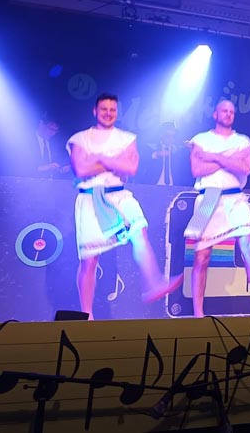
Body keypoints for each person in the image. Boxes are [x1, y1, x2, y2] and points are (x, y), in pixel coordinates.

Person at [67, 93, 182, 318]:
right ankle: (86, 314)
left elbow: (131, 168)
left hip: (120, 195)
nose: (108, 113)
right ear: (95, 111)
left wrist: (98, 159)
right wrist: (113, 162)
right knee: (90, 260)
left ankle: (153, 283)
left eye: (112, 109)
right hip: (91, 199)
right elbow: (80, 169)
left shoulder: (127, 138)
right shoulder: (80, 139)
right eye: (104, 109)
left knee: (139, 230)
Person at [185, 100, 250, 317]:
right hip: (207, 197)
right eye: (224, 111)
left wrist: (213, 157)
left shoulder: (243, 141)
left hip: (235, 197)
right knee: (201, 257)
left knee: (249, 245)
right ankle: (198, 313)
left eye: (231, 112)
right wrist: (230, 159)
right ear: (215, 114)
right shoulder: (200, 139)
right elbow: (196, 169)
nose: (228, 114)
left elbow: (245, 167)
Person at [140, 121, 191, 186]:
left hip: (174, 187)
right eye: (168, 136)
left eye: (173, 136)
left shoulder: (178, 150)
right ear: (161, 135)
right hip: (154, 186)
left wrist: (190, 148)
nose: (171, 139)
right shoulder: (151, 148)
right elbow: (142, 162)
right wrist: (156, 154)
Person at [29, 113, 71, 178]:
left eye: (56, 131)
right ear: (41, 124)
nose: (53, 133)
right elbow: (21, 167)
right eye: (51, 129)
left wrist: (62, 169)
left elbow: (56, 165)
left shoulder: (54, 143)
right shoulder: (27, 140)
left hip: (51, 183)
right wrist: (42, 168)